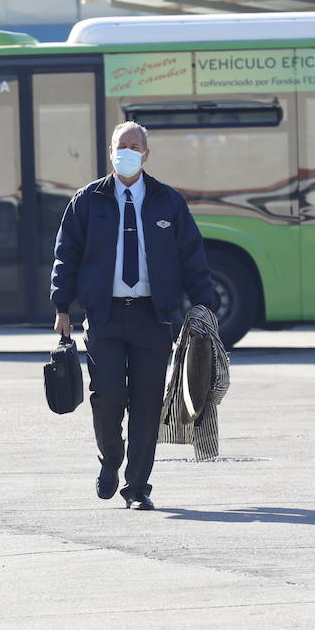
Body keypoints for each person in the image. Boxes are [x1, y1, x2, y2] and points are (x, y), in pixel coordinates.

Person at [50, 121, 215, 511]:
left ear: (146, 154)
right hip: (104, 316)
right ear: (111, 153)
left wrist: (204, 305)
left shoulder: (168, 201)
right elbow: (66, 253)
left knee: (146, 403)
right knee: (107, 398)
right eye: (121, 145)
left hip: (152, 317)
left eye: (135, 146)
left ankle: (137, 486)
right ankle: (110, 462)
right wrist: (61, 306)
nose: (128, 152)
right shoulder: (87, 200)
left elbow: (192, 255)